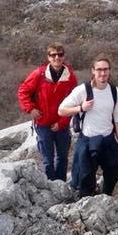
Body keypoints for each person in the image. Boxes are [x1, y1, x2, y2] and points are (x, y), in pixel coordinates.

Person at [59, 56, 118, 197]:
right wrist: (80, 108)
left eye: (105, 69)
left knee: (112, 174)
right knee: (85, 178)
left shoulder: (115, 92)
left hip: (108, 140)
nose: (103, 73)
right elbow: (61, 110)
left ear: (109, 71)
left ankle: (106, 199)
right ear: (93, 71)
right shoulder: (83, 90)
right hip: (88, 140)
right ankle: (86, 201)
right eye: (99, 69)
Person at [17, 43, 77, 181]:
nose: (57, 58)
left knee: (62, 158)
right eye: (53, 55)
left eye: (60, 54)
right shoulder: (39, 74)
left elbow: (73, 102)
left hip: (61, 124)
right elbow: (23, 91)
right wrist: (30, 108)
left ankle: (60, 185)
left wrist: (62, 123)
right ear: (48, 57)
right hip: (43, 122)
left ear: (64, 56)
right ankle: (50, 185)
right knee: (48, 159)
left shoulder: (70, 77)